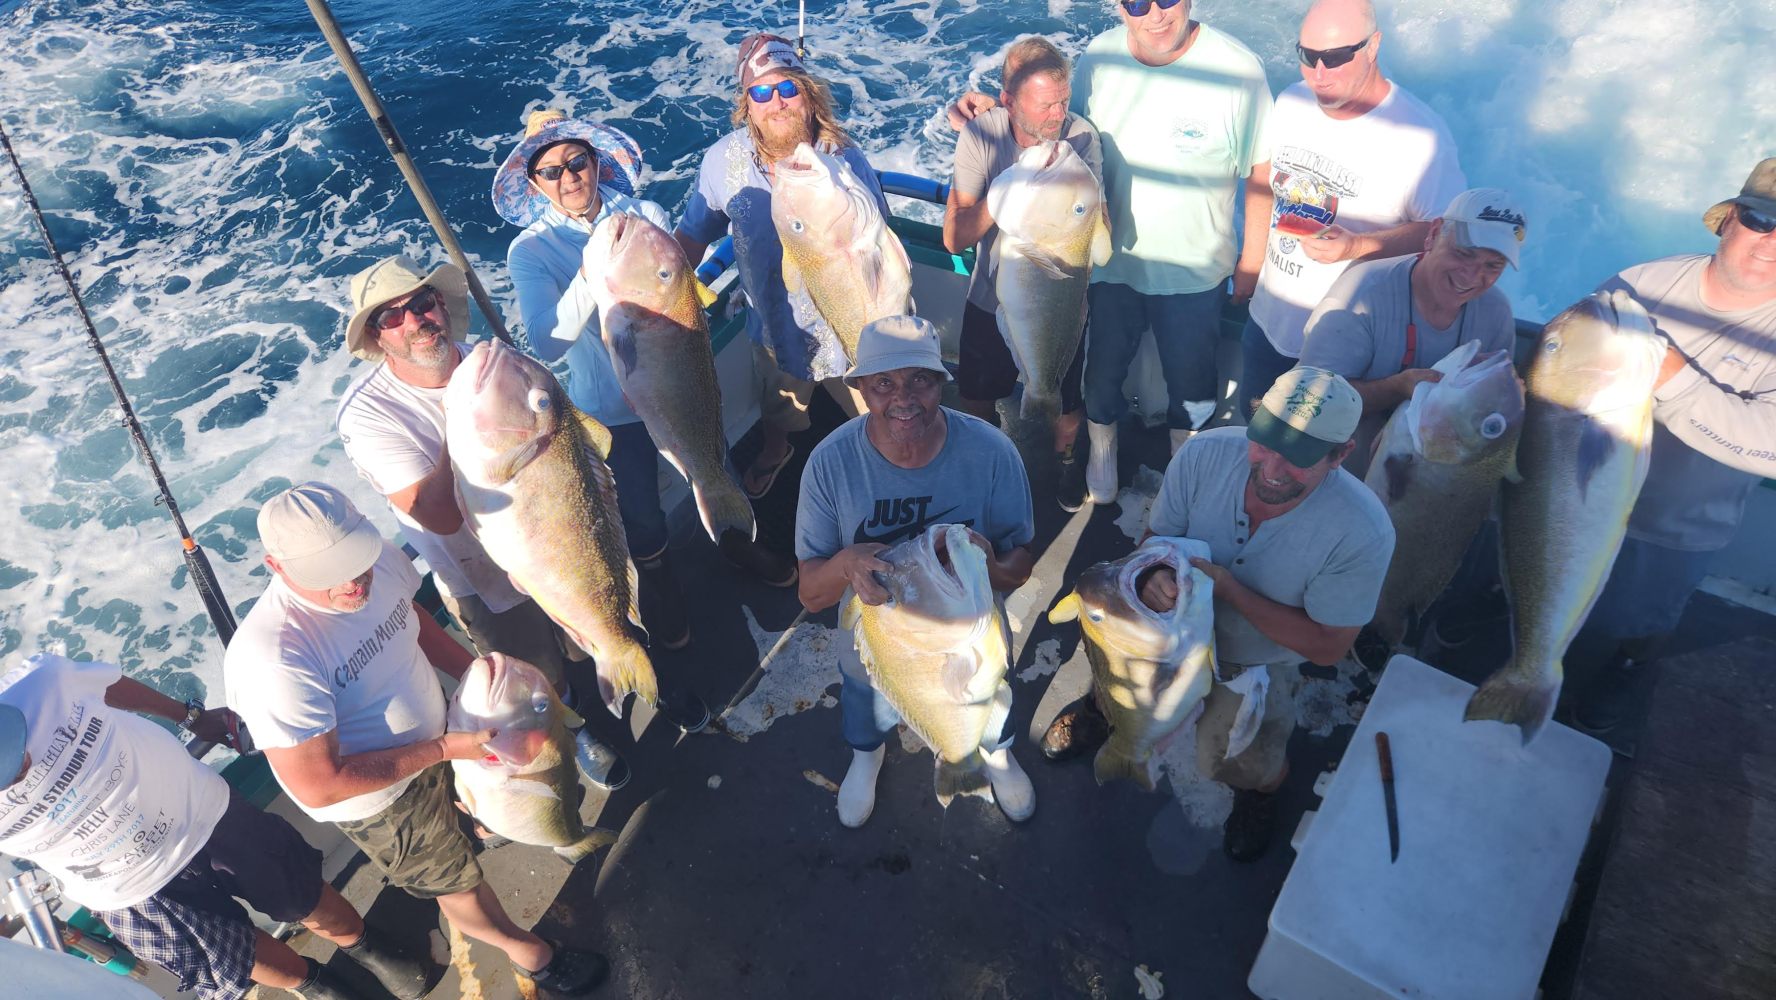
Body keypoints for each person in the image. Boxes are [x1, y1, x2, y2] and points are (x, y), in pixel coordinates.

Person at [223, 483, 609, 996]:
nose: (353, 582)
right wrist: (448, 749)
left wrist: (478, 672)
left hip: (447, 742)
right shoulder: (272, 658)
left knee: (470, 823)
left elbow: (411, 616)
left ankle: (476, 828)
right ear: (276, 566)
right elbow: (320, 786)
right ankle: (532, 955)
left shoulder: (376, 560)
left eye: (355, 560)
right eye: (329, 575)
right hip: (379, 800)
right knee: (456, 883)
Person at [1041, 368, 1394, 861]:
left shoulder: (1364, 532)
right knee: (1112, 659)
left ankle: (1261, 792)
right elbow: (1153, 544)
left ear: (1341, 456)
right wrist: (1149, 577)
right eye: (1265, 443)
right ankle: (1105, 713)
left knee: (1235, 760)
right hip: (1163, 631)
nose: (1273, 467)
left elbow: (1328, 646)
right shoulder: (1204, 453)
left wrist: (1228, 589)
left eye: (1299, 458)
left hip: (1255, 662)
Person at [494, 109, 793, 662]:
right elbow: (548, 341)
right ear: (536, 184)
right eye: (553, 171)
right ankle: (661, 585)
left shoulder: (645, 215)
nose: (570, 178)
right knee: (639, 512)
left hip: (681, 378)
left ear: (596, 161)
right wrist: (592, 273)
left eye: (577, 162)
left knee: (713, 463)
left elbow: (679, 298)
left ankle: (736, 542)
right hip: (607, 409)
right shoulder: (530, 252)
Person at [950, 0, 1273, 503]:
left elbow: (1261, 171)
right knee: (1100, 378)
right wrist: (987, 112)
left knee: (1191, 387)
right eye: (1138, 2)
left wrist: (1252, 261)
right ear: (1120, 7)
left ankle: (1183, 478)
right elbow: (1043, 120)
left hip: (1193, 268)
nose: (1156, 13)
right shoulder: (1099, 57)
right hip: (1108, 268)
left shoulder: (1238, 69)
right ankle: (1097, 454)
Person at [335, 253, 633, 788]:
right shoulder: (368, 414)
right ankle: (574, 731)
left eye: (422, 302)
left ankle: (614, 682)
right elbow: (440, 516)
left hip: (558, 542)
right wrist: (477, 424)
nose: (415, 320)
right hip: (480, 576)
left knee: (585, 633)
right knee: (536, 668)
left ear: (441, 305)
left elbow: (582, 451)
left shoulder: (492, 367)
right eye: (392, 316)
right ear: (377, 338)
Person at [1, 652, 438, 1000]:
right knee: (232, 952)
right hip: (125, 889)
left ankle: (364, 944)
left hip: (202, 812)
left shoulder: (43, 682)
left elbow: (109, 685)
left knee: (299, 890)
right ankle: (318, 986)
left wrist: (191, 718)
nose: (20, 765)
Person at [795, 316, 1038, 828]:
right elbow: (812, 594)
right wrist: (845, 563)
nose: (902, 398)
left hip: (968, 623)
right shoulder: (828, 464)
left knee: (992, 682)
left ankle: (994, 752)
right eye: (883, 383)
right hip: (877, 634)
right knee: (864, 696)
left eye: (919, 380)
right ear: (859, 388)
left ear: (941, 384)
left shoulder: (994, 452)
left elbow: (1019, 566)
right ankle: (867, 755)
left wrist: (988, 564)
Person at [1564, 158, 1776, 734]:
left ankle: (1629, 665)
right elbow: (1563, 351)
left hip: (1679, 526)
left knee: (1651, 616)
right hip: (1577, 496)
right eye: (1761, 219)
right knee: (1541, 581)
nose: (1771, 241)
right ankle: (1507, 602)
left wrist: (1673, 378)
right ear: (1727, 220)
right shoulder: (1645, 283)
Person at [674, 33, 888, 500]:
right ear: (746, 104)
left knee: (879, 418)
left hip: (852, 330)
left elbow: (881, 240)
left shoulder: (844, 158)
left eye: (789, 88)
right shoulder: (721, 164)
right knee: (779, 412)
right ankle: (777, 451)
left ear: (808, 96)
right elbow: (691, 236)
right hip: (776, 332)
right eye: (761, 92)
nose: (777, 102)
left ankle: (881, 471)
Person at [1233, 0, 1465, 417]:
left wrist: (1358, 245)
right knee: (1255, 436)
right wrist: (1250, 267)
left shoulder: (1420, 136)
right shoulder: (1291, 102)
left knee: (1317, 461)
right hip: (1267, 323)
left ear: (1373, 47)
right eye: (1308, 57)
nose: (1319, 73)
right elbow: (1264, 182)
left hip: (1348, 343)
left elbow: (1443, 233)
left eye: (1337, 57)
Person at [941, 35, 1102, 511]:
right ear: (1008, 101)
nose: (1058, 116)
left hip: (1061, 297)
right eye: (1046, 105)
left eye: (1063, 101)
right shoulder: (981, 136)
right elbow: (954, 238)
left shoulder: (1082, 138)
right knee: (974, 395)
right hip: (992, 294)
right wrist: (1000, 201)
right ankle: (986, 466)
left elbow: (1092, 222)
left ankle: (1066, 463)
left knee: (1062, 397)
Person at [1297, 187, 1527, 477]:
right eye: (1463, 254)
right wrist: (1396, 387)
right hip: (1335, 476)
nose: (1471, 276)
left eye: (1493, 265)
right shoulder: (1360, 294)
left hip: (1435, 484)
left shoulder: (1496, 313)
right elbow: (1308, 402)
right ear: (1433, 234)